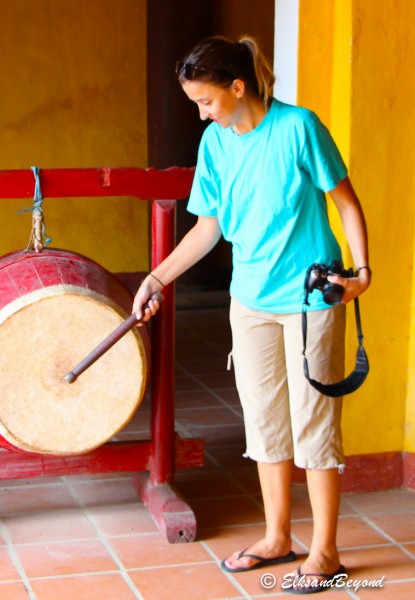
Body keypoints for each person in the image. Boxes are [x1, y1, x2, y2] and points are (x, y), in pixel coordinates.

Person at [133, 35, 370, 594]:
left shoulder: (298, 128)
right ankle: (276, 537)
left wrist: (362, 272)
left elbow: (346, 202)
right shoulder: (216, 143)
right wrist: (155, 278)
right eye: (195, 103)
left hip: (312, 298)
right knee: (264, 421)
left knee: (314, 424)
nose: (201, 112)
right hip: (251, 300)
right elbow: (209, 226)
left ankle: (326, 552)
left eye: (207, 100)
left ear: (238, 87)